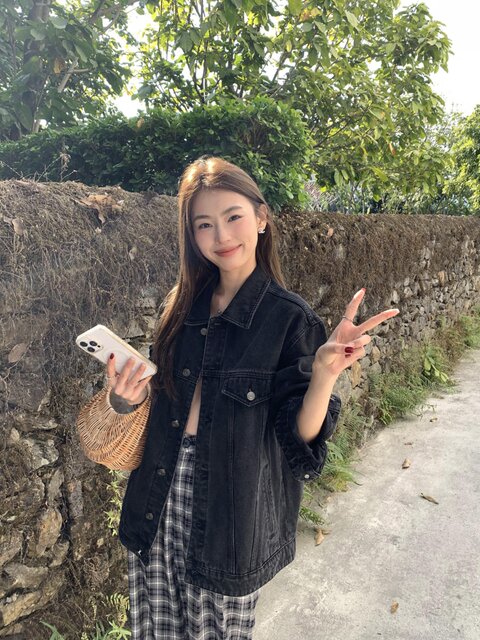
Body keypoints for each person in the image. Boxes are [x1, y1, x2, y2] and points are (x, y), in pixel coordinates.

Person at [86, 155, 400, 639]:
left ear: (261, 217)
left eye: (233, 216)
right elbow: (158, 406)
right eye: (204, 224)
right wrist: (125, 397)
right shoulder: (180, 307)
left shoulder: (290, 319)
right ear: (191, 234)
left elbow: (300, 441)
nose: (221, 235)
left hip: (231, 516)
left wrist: (323, 375)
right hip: (157, 494)